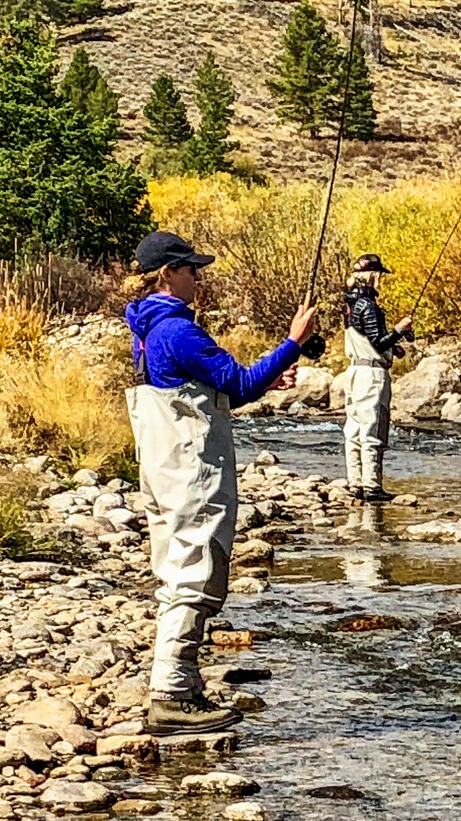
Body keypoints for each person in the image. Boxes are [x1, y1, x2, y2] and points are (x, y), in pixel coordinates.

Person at [124, 231, 317, 735]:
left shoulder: (148, 330)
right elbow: (240, 383)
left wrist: (271, 373)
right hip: (191, 470)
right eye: (191, 269)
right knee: (196, 570)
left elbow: (215, 386)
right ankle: (170, 696)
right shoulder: (179, 332)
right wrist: (292, 343)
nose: (198, 277)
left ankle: (182, 686)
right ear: (167, 274)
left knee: (176, 570)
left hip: (162, 470)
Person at [342, 254, 414, 503]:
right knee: (373, 428)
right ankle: (372, 486)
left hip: (352, 371)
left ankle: (355, 483)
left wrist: (392, 347)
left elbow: (366, 338)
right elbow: (379, 340)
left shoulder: (349, 304)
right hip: (371, 375)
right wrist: (399, 330)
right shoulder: (369, 306)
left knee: (353, 429)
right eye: (380, 275)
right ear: (374, 276)